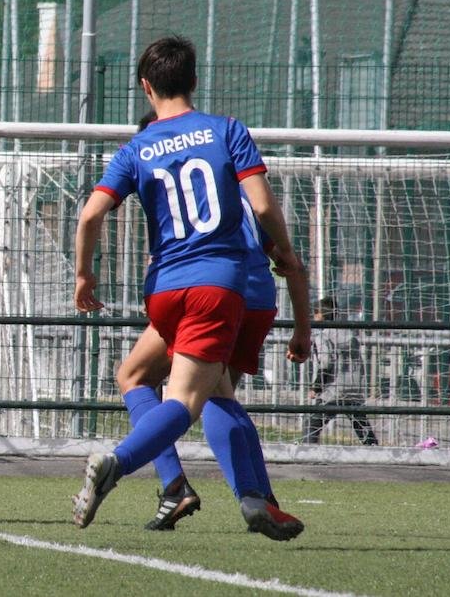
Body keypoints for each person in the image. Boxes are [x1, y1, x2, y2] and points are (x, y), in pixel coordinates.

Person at [71, 36, 310, 541]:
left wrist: (84, 275)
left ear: (145, 88)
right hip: (221, 286)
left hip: (163, 288)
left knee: (156, 379)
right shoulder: (226, 131)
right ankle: (119, 462)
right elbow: (263, 207)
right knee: (189, 400)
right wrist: (286, 253)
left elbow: (91, 214)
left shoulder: (136, 148)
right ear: (195, 81)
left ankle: (204, 490)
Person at [118, 184, 312, 531]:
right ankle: (261, 499)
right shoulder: (239, 189)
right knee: (217, 394)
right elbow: (293, 264)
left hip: (215, 293)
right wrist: (302, 328)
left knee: (134, 377)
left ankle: (174, 486)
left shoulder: (179, 188)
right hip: (259, 299)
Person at [302, 296, 378, 445]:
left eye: (316, 313)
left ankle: (307, 449)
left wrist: (316, 387)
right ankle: (373, 447)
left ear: (322, 314)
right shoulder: (350, 335)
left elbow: (326, 364)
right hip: (354, 386)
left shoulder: (323, 336)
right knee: (359, 422)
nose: (314, 316)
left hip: (333, 389)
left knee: (313, 424)